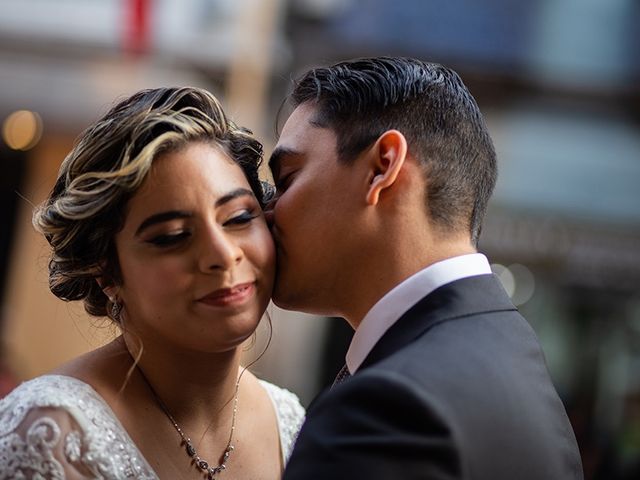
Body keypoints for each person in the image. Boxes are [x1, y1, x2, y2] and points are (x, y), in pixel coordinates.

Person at [267, 57, 583, 479]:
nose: (267, 211)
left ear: (382, 166)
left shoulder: (388, 408)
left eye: (287, 178)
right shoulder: (512, 355)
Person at [0, 87, 304, 479]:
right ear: (106, 271)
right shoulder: (51, 435)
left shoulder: (292, 424)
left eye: (239, 217)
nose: (223, 254)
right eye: (172, 236)